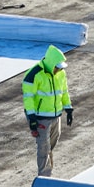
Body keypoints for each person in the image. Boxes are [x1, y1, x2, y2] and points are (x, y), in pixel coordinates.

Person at [22, 45, 74, 177]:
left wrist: (68, 108)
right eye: (57, 67)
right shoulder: (33, 75)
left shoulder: (60, 73)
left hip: (56, 115)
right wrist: (32, 118)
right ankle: (44, 177)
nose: (59, 69)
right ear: (51, 64)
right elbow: (28, 98)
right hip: (40, 118)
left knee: (52, 143)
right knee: (43, 147)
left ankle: (47, 169)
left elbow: (64, 91)